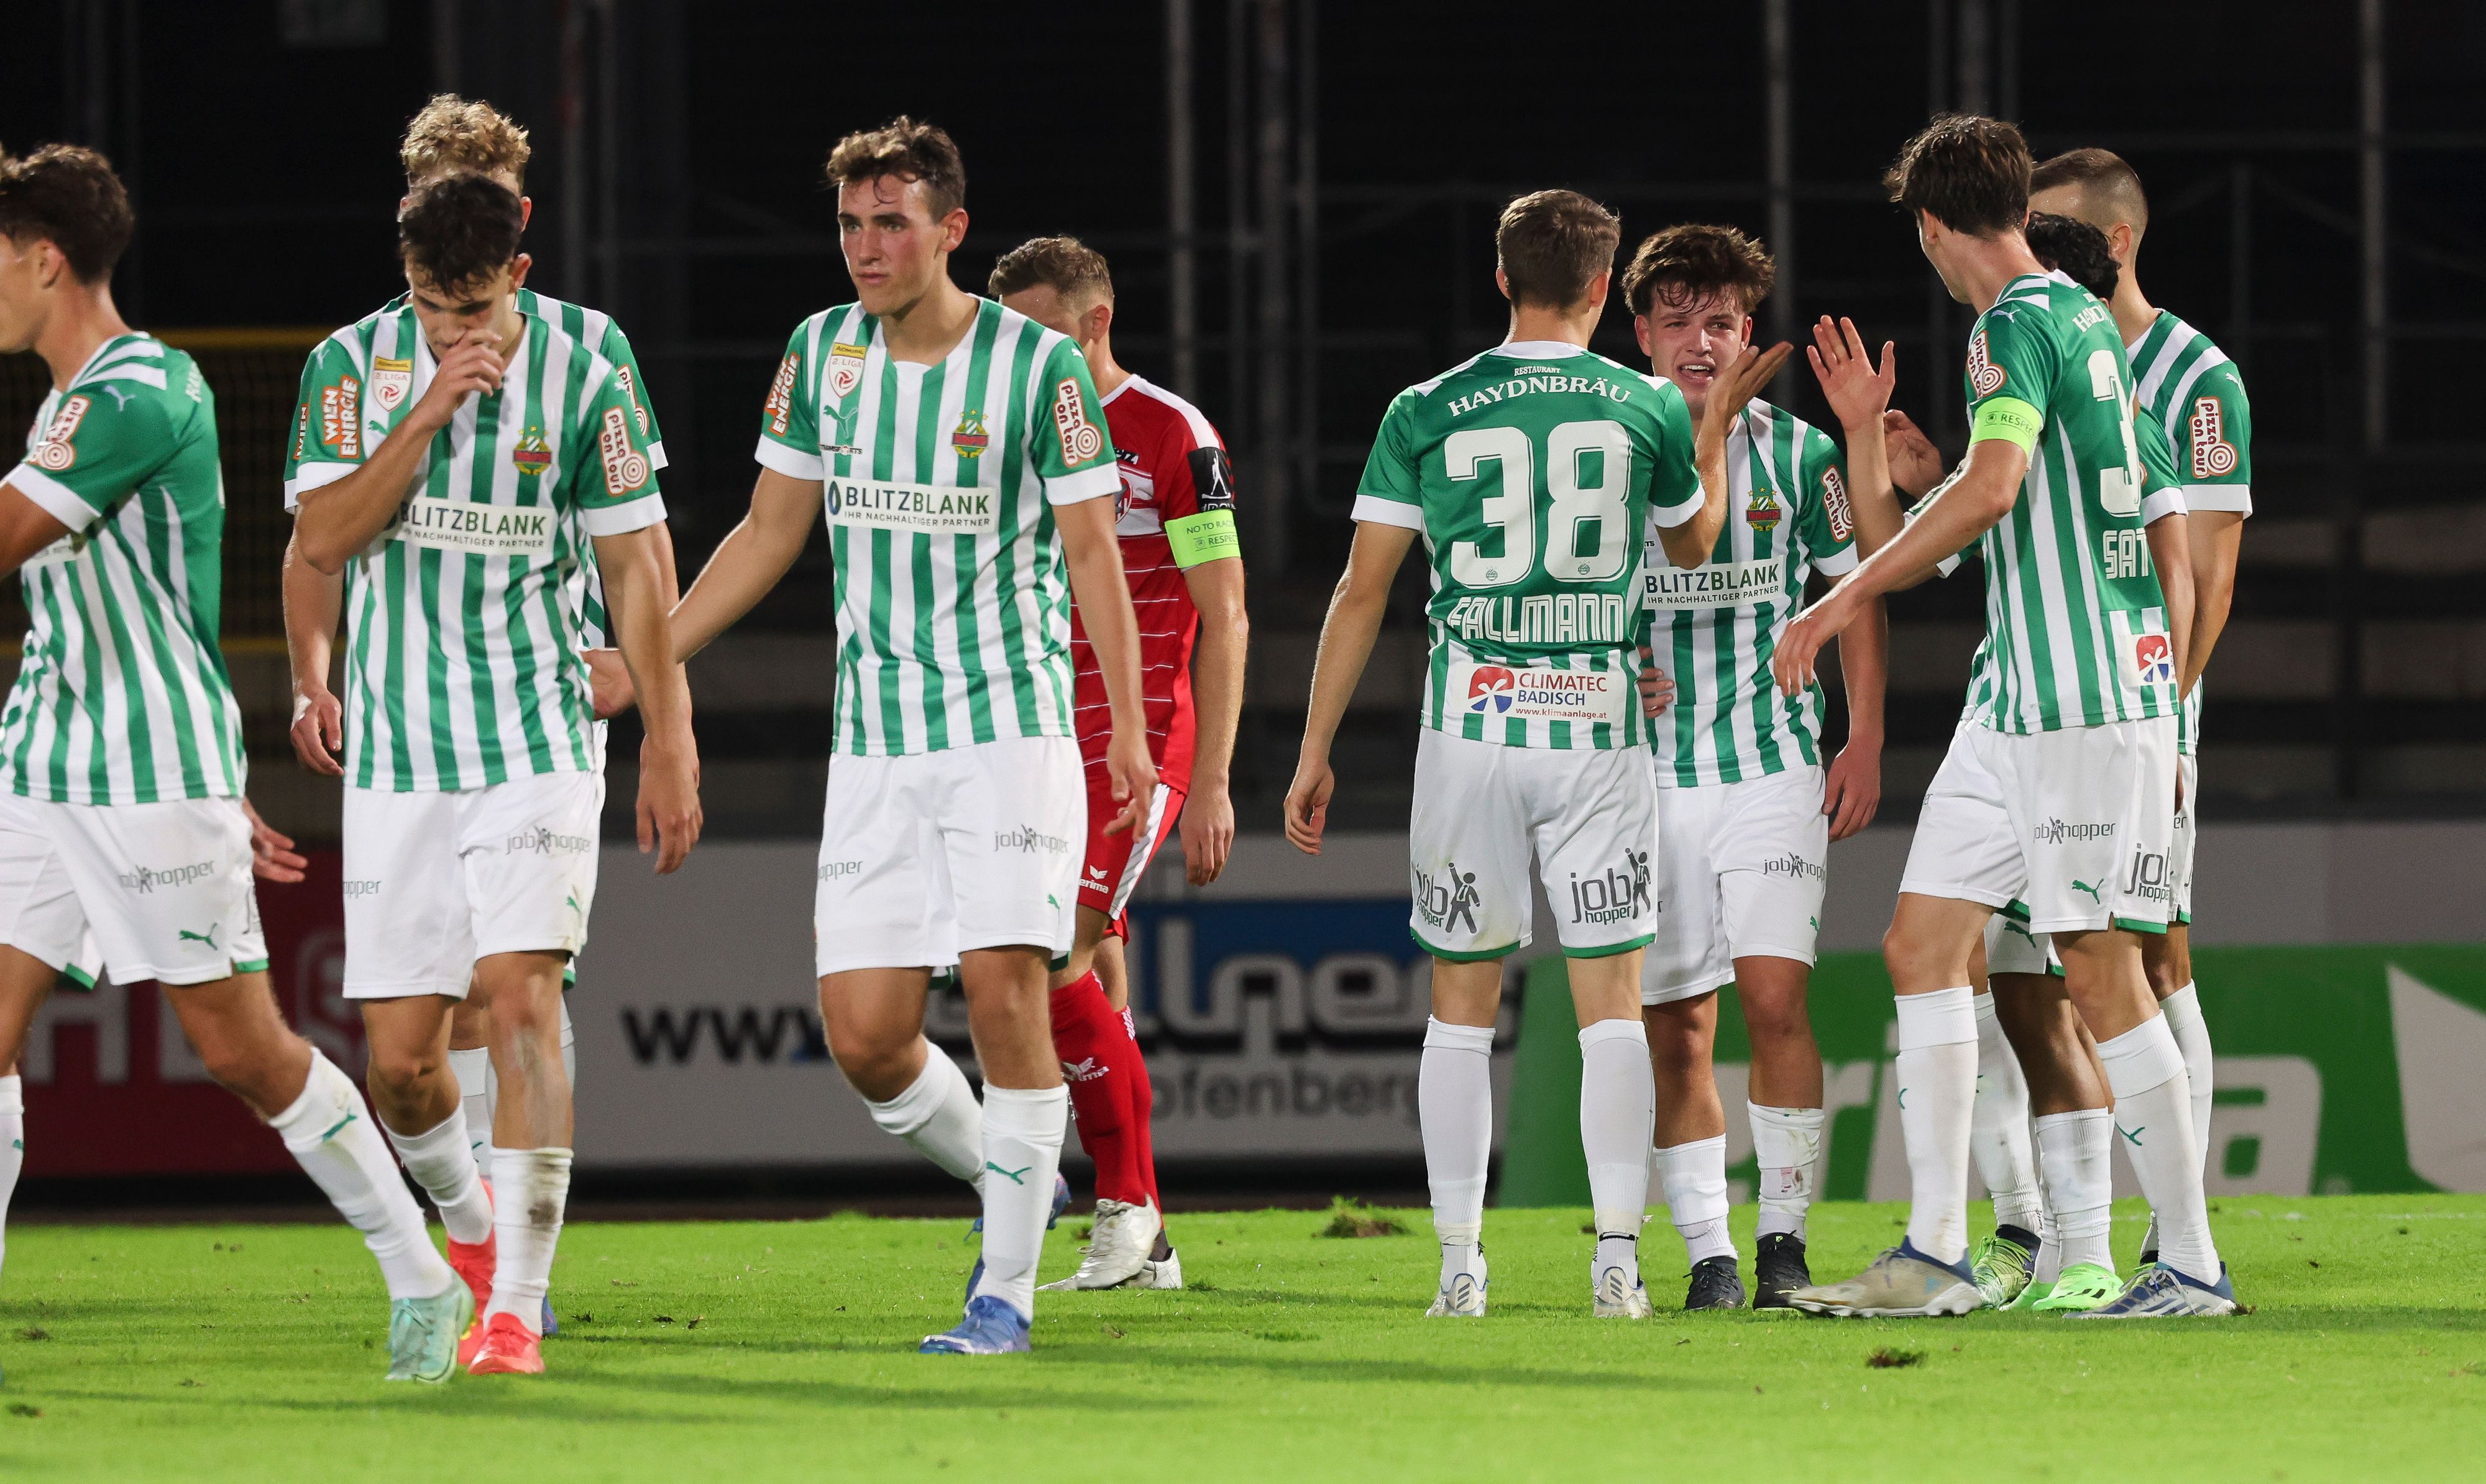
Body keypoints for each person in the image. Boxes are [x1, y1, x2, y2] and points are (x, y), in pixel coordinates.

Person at [667, 118, 1154, 1356]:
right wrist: (652, 650)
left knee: (1004, 992)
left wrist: (1130, 735)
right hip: (877, 743)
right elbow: (770, 532)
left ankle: (1003, 1294)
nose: (866, 246)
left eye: (891, 222)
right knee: (867, 1038)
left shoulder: (1032, 366)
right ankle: (1020, 1183)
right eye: (848, 224)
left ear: (949, 229)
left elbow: (1095, 552)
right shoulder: (820, 353)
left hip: (1009, 726)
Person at [0, 144, 470, 1381]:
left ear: (45, 260)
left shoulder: (138, 393)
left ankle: (423, 1276)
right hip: (42, 760)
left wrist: (210, 772)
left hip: (148, 774)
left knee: (241, 1052)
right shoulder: (70, 401)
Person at [1285, 188, 1782, 1320]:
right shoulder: (1644, 403)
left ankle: (1461, 1267)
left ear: (1501, 280)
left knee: (1459, 1007)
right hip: (1597, 729)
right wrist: (1700, 432)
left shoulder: (1428, 407)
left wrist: (1316, 748)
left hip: (1470, 731)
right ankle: (1617, 1263)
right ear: (1607, 291)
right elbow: (1697, 543)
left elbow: (1363, 590)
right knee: (1610, 1007)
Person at [1773, 114, 2234, 1319]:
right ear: (2016, 209)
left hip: (2079, 706)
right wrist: (1895, 477)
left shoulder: (2010, 327)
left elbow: (1997, 486)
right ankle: (1931, 1254)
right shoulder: (2085, 326)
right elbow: (2037, 508)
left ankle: (2187, 1264)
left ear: (1930, 227)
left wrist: (1834, 599)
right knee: (1920, 947)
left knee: (2097, 973)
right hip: (2016, 700)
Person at [286, 173, 699, 1375]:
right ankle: (474, 1235)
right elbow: (320, 541)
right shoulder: (351, 367)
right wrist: (421, 414)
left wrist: (669, 735)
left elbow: (636, 562)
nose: (449, 333)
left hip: (538, 737)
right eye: (427, 306)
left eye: (469, 311)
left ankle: (515, 1307)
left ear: (518, 275)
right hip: (402, 755)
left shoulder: (587, 363)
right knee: (405, 1068)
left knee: (522, 1001)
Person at [1616, 225, 1891, 1311]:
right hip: (1643, 779)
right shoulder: (1610, 448)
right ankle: (1709, 1256)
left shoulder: (1804, 455)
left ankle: (1781, 1242)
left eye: (1719, 322)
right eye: (1677, 321)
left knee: (1775, 1002)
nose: (1699, 342)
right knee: (1676, 1025)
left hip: (1772, 763)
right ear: (1639, 331)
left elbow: (1856, 590)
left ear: (1747, 333)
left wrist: (1862, 733)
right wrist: (1610, 667)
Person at [992, 236, 1250, 1292]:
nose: (1020, 355)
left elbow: (1225, 615)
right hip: (1033, 735)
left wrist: (1216, 780)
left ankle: (1125, 1203)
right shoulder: (1008, 432)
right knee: (1093, 976)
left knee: (1048, 955)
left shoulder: (1168, 434)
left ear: (1095, 324)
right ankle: (1148, 1237)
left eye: (1040, 332)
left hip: (1136, 742)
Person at [2031, 150, 2251, 1270]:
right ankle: (2056, 1238)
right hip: (2043, 706)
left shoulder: (2193, 378)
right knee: (2035, 970)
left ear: (2114, 243)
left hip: (2143, 716)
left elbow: (2207, 577)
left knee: (2155, 953)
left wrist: (2164, 718)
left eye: (2053, 231)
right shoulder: (2042, 346)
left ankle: (2179, 1234)